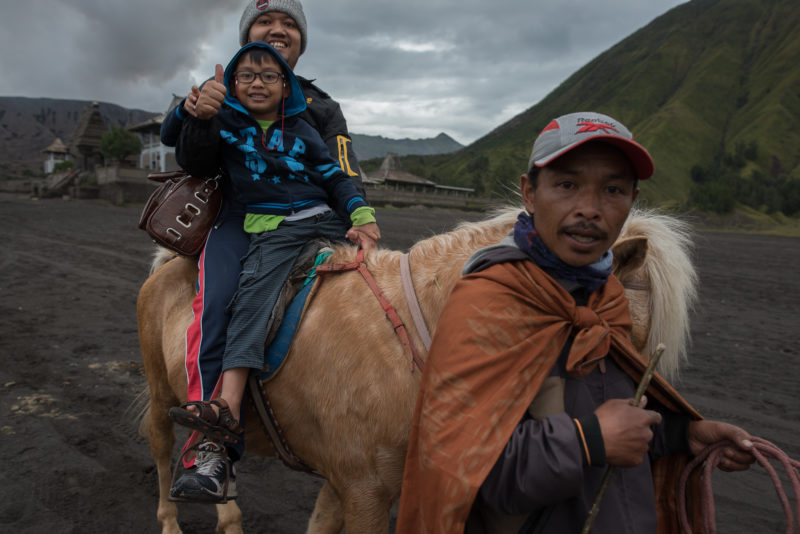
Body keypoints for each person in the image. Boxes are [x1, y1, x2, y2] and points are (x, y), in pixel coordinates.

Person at [395, 112, 755, 533]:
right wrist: (588, 440)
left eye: (613, 190)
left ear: (632, 201)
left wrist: (681, 435)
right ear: (530, 193)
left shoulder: (607, 299)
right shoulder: (487, 303)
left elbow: (611, 418)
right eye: (567, 185)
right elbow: (458, 471)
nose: (590, 209)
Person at [158, 0, 370, 502]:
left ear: (300, 40)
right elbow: (193, 157)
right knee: (215, 305)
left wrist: (360, 215)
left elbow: (342, 166)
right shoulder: (218, 95)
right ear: (244, 38)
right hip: (240, 219)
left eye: (289, 23)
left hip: (313, 219)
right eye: (264, 22)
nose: (278, 29)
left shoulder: (320, 107)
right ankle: (211, 446)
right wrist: (197, 112)